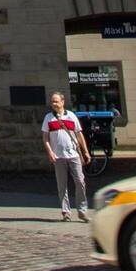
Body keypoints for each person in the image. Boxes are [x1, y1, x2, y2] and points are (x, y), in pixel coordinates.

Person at [43, 92, 91, 222]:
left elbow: (79, 135)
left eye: (56, 101)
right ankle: (66, 212)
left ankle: (82, 210)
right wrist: (50, 152)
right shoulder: (48, 118)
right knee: (62, 185)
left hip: (73, 155)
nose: (54, 104)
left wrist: (85, 151)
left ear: (62, 102)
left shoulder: (71, 116)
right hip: (58, 156)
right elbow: (45, 138)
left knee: (80, 181)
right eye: (52, 101)